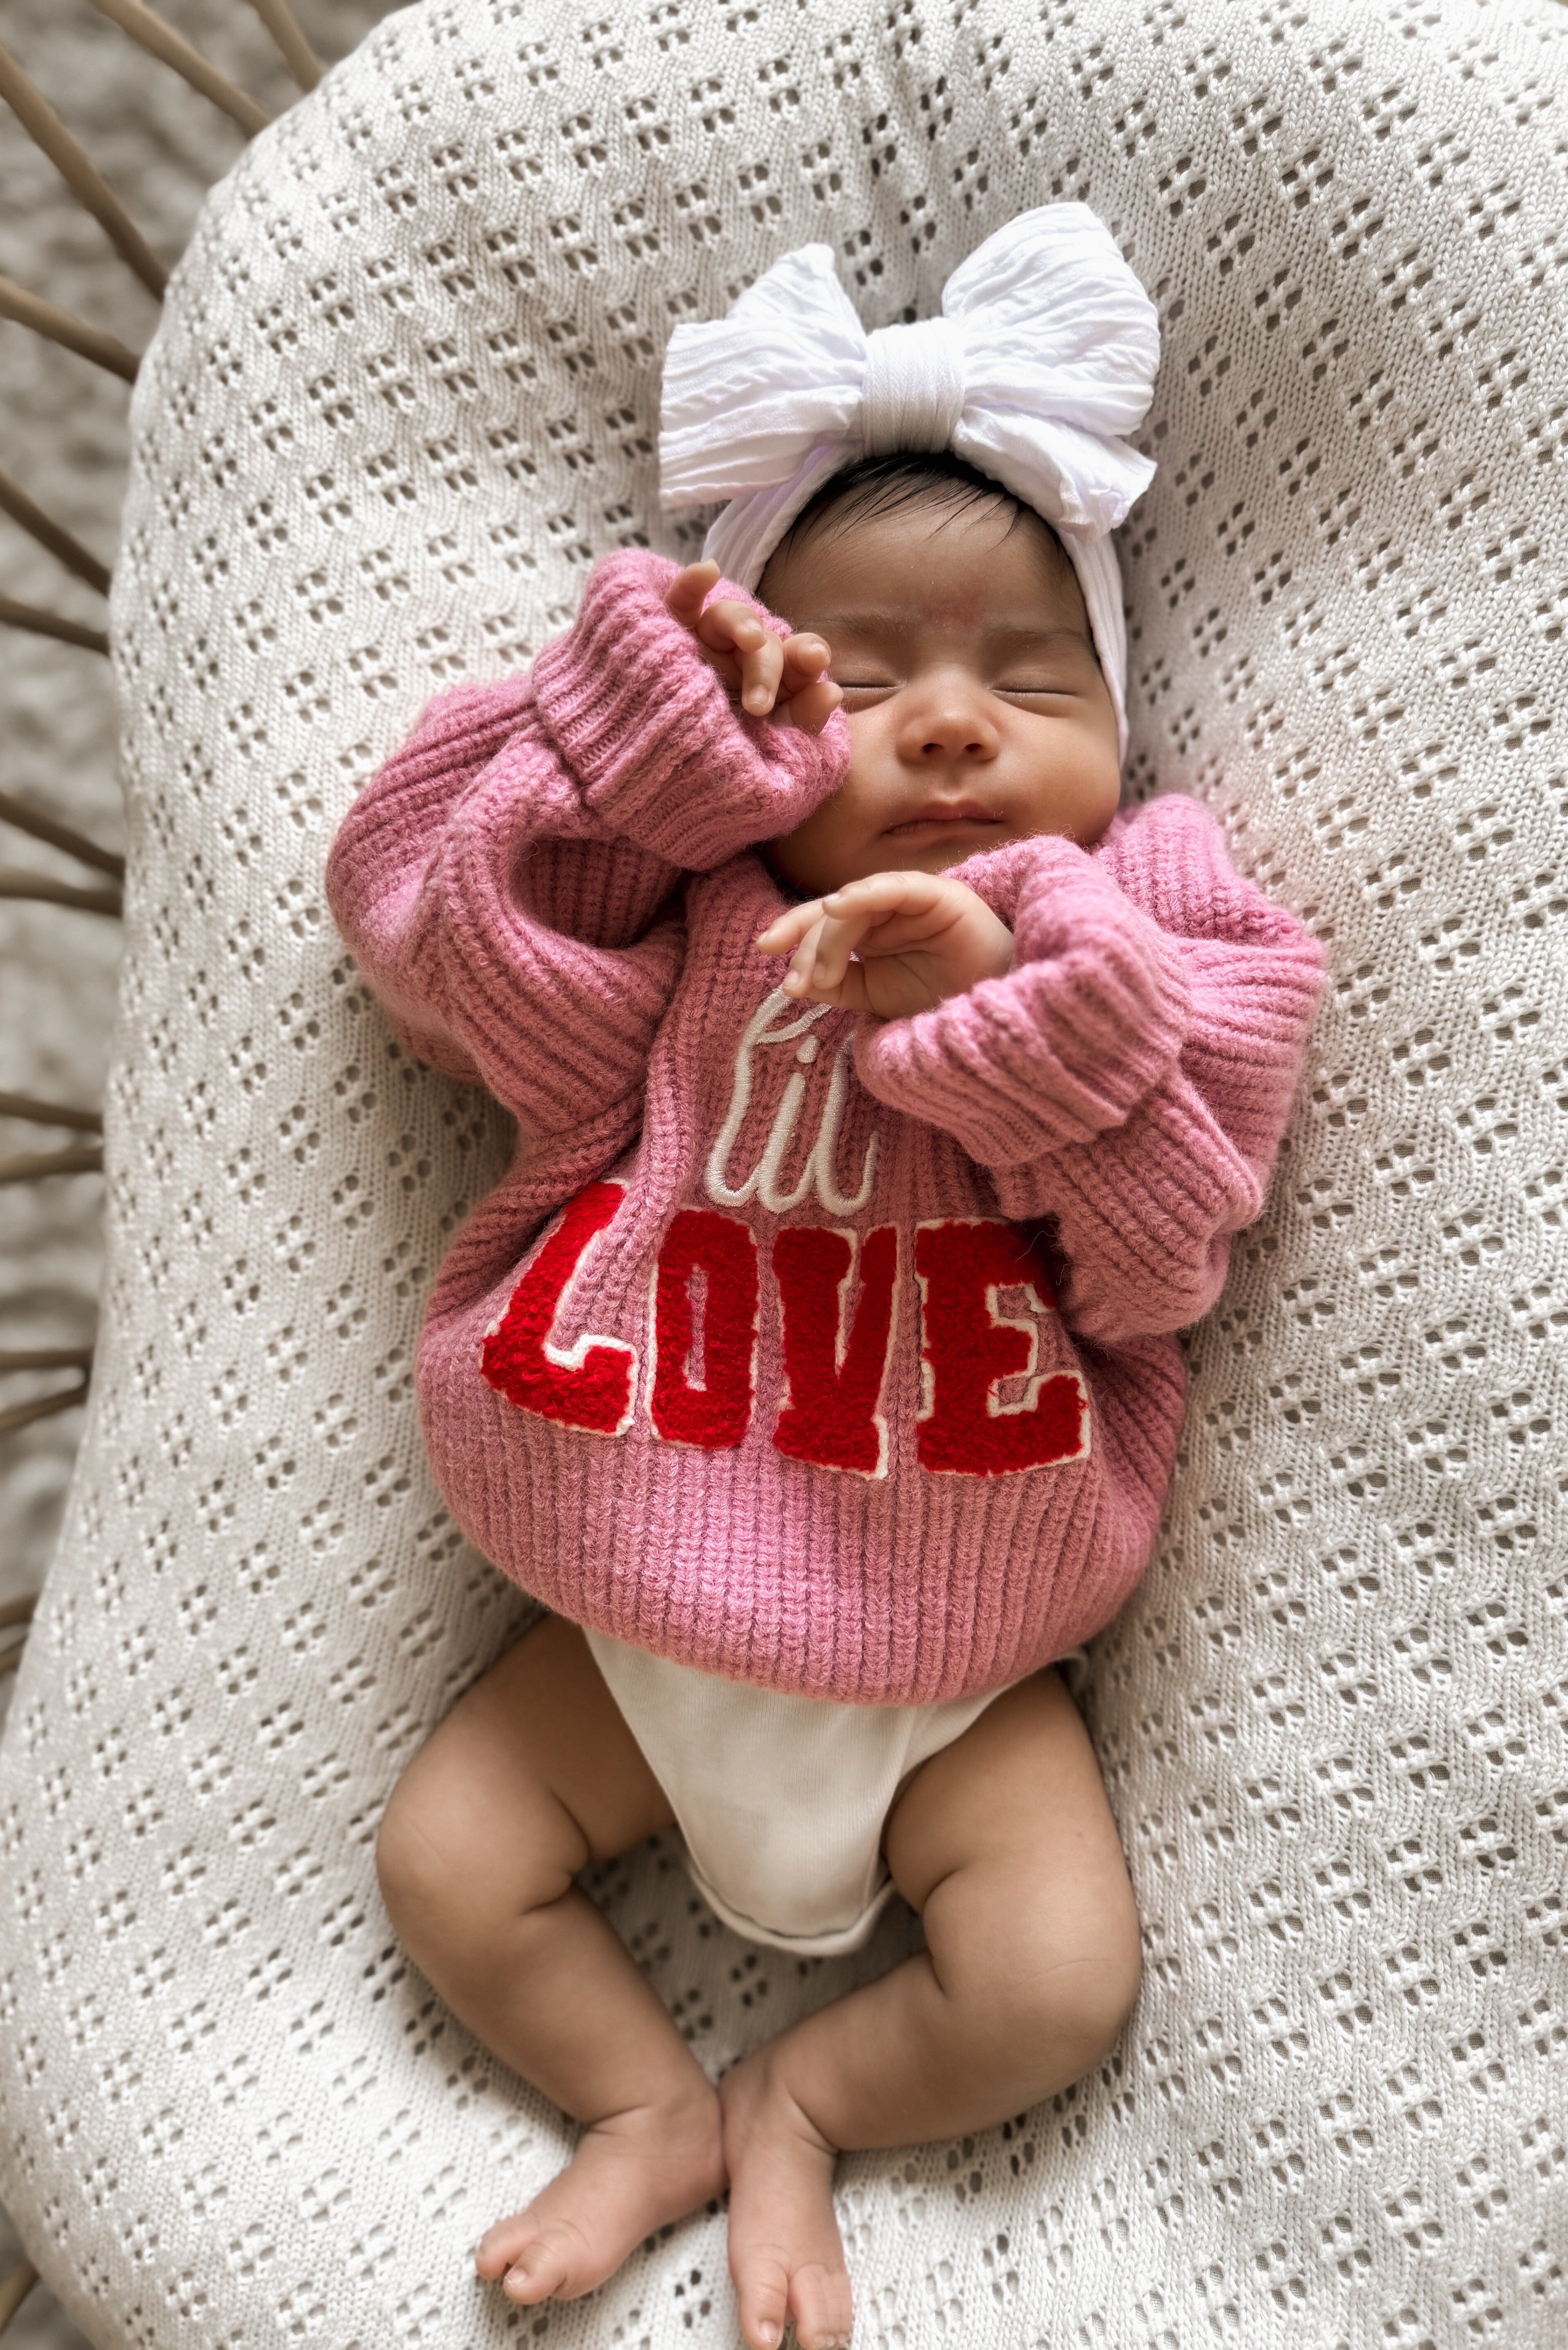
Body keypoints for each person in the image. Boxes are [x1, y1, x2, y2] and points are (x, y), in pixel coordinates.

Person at [325, 207, 1324, 2350]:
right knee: (443, 1868)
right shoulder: (681, 939)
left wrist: (1024, 1007)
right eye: (860, 682)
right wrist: (653, 767)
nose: (950, 728)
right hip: (620, 1623)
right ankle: (644, 2107)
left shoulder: (1142, 935)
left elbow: (1167, 1253)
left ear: (1112, 727)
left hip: (965, 1667)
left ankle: (799, 2099)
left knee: (1049, 1987)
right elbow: (431, 947)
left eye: (1026, 678)